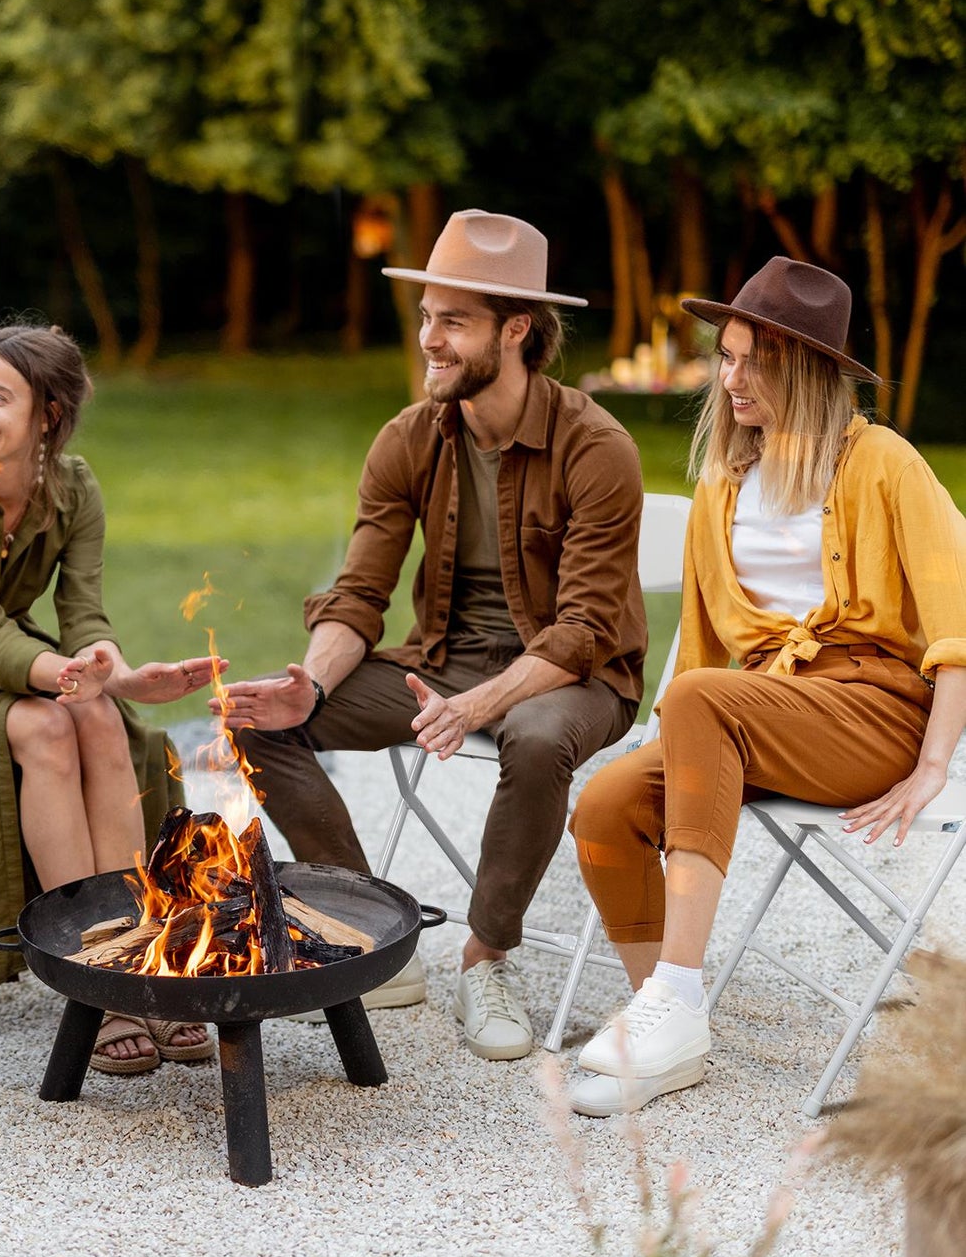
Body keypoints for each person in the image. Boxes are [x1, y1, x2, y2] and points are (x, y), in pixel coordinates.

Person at [216, 210, 647, 1058]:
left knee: (531, 737)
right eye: (425, 317)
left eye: (453, 320)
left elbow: (583, 628)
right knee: (255, 716)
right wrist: (311, 679)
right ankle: (367, 933)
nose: (429, 340)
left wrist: (476, 703)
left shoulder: (597, 446)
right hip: (441, 662)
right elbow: (359, 594)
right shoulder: (410, 438)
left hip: (578, 677)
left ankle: (486, 957)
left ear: (514, 329)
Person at [566, 256, 966, 1117]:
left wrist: (935, 764)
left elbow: (953, 623)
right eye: (727, 354)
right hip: (757, 712)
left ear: (810, 371)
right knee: (602, 804)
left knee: (702, 699)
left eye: (756, 359)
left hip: (875, 711)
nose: (731, 375)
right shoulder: (721, 483)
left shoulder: (884, 462)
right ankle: (667, 1017)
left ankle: (672, 992)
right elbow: (703, 654)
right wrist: (663, 737)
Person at [0, 322, 222, 1075]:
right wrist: (74, 677)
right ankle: (92, 970)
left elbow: (83, 612)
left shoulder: (74, 486)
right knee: (52, 727)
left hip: (21, 660)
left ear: (47, 413)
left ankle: (136, 949)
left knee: (100, 717)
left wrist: (113, 672)